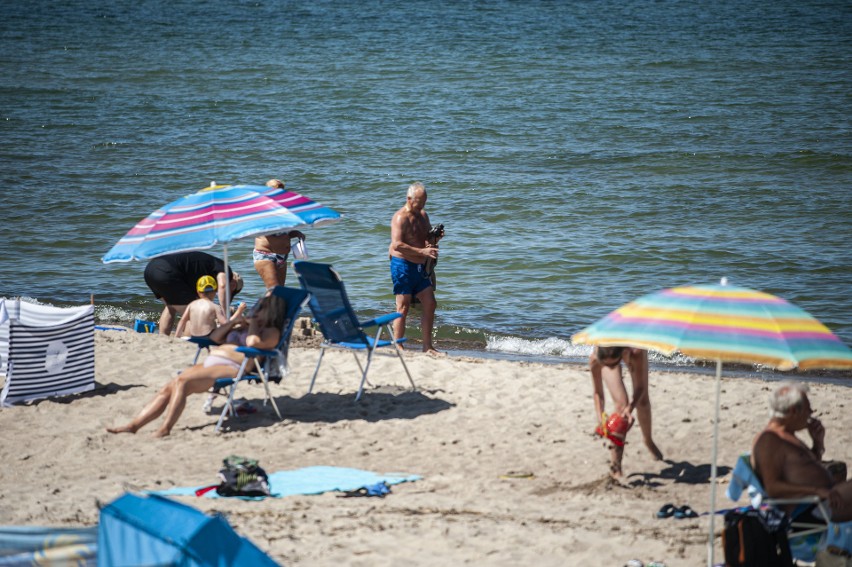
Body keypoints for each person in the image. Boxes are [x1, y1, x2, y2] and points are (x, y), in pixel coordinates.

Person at [107, 292, 287, 438]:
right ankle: (134, 425)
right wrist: (234, 323)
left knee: (183, 382)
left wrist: (254, 325)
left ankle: (165, 428)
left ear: (271, 312)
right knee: (171, 385)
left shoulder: (271, 332)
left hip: (233, 366)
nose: (255, 311)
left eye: (260, 309)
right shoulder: (245, 327)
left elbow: (253, 343)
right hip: (213, 361)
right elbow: (215, 338)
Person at [751, 381, 852, 522]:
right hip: (806, 511)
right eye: (808, 410)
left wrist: (818, 443)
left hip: (817, 502)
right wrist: (818, 491)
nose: (811, 415)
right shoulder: (770, 440)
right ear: (793, 411)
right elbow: (772, 487)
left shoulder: (786, 436)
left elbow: (803, 468)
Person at [590, 346, 663, 478]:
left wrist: (630, 408)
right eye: (607, 365)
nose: (611, 367)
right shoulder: (596, 358)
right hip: (609, 351)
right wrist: (600, 419)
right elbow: (598, 393)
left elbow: (640, 388)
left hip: (631, 345)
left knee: (643, 402)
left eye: (614, 364)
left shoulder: (636, 352)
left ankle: (648, 440)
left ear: (623, 354)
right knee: (620, 406)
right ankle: (616, 467)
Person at [388, 182, 442, 355]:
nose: (422, 206)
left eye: (424, 202)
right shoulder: (400, 217)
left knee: (430, 303)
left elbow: (425, 240)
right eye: (419, 202)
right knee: (403, 306)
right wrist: (422, 251)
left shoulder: (423, 215)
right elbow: (397, 245)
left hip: (419, 266)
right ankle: (398, 345)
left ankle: (427, 347)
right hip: (402, 264)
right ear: (409, 199)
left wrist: (435, 239)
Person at [143, 251, 244, 336]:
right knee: (194, 313)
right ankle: (188, 342)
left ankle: (162, 338)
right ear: (233, 285)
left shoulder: (204, 270)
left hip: (151, 269)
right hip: (168, 272)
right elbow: (222, 285)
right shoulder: (226, 270)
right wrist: (225, 311)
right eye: (230, 293)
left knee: (171, 307)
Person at [252, 179, 306, 289]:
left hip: (282, 257)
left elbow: (282, 233)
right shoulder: (262, 210)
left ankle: (276, 306)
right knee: (274, 291)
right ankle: (262, 307)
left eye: (281, 191)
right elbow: (266, 232)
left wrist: (296, 233)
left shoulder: (282, 210)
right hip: (266, 255)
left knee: (281, 291)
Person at [174, 276, 248, 338]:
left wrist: (176, 337)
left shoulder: (191, 304)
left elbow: (182, 321)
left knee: (189, 322)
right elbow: (225, 324)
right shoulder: (214, 307)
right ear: (215, 291)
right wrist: (239, 312)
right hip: (207, 337)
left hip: (192, 336)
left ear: (198, 291)